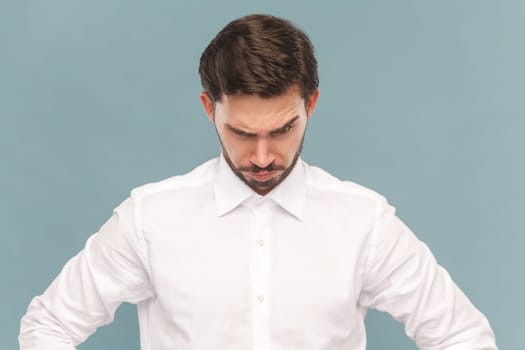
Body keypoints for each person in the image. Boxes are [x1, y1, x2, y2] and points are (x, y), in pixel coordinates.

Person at [19, 14, 497, 350]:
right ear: (210, 109)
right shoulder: (150, 219)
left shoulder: (363, 222)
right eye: (243, 133)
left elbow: (462, 336)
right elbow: (50, 325)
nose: (264, 156)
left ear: (310, 106)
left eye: (283, 129)